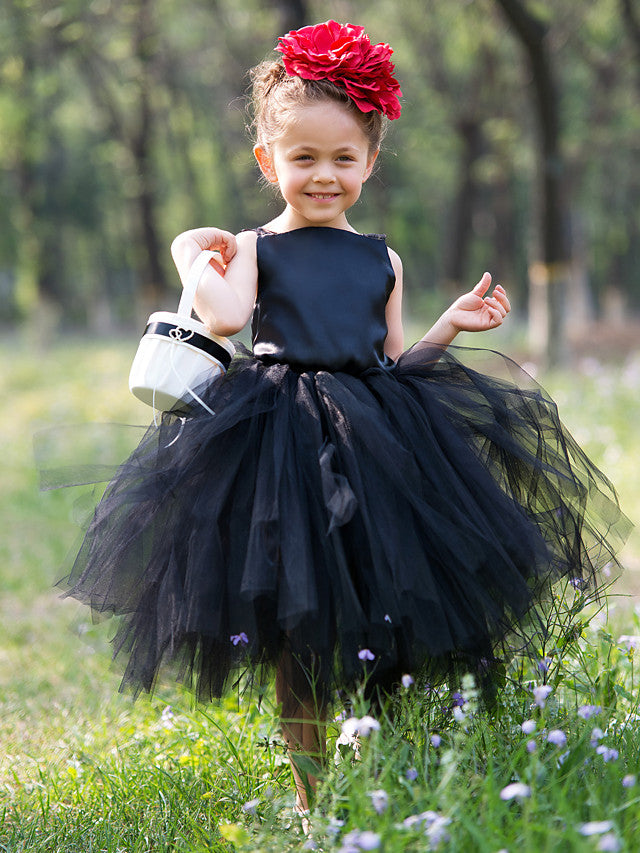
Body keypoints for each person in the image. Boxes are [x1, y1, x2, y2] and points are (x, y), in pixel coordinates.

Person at [62, 20, 629, 819]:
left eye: (342, 159)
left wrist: (450, 327)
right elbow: (224, 319)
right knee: (296, 624)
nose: (323, 176)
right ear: (269, 162)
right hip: (279, 439)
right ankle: (312, 790)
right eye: (303, 159)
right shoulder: (257, 247)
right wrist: (193, 249)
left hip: (378, 441)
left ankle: (381, 763)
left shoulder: (382, 260)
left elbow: (394, 365)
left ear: (370, 159)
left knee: (384, 612)